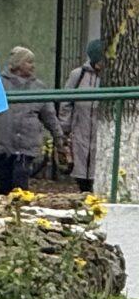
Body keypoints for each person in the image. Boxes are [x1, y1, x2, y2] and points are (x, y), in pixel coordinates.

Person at [0, 46, 58, 194]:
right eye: (29, 62)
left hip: (26, 146)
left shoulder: (39, 87)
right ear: (18, 63)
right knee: (2, 184)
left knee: (20, 184)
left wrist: (59, 135)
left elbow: (49, 116)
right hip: (1, 145)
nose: (33, 66)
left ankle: (19, 206)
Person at [67, 39, 106, 193]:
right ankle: (83, 190)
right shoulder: (78, 75)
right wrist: (65, 127)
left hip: (100, 129)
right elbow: (66, 102)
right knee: (81, 167)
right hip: (81, 128)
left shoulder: (109, 76)